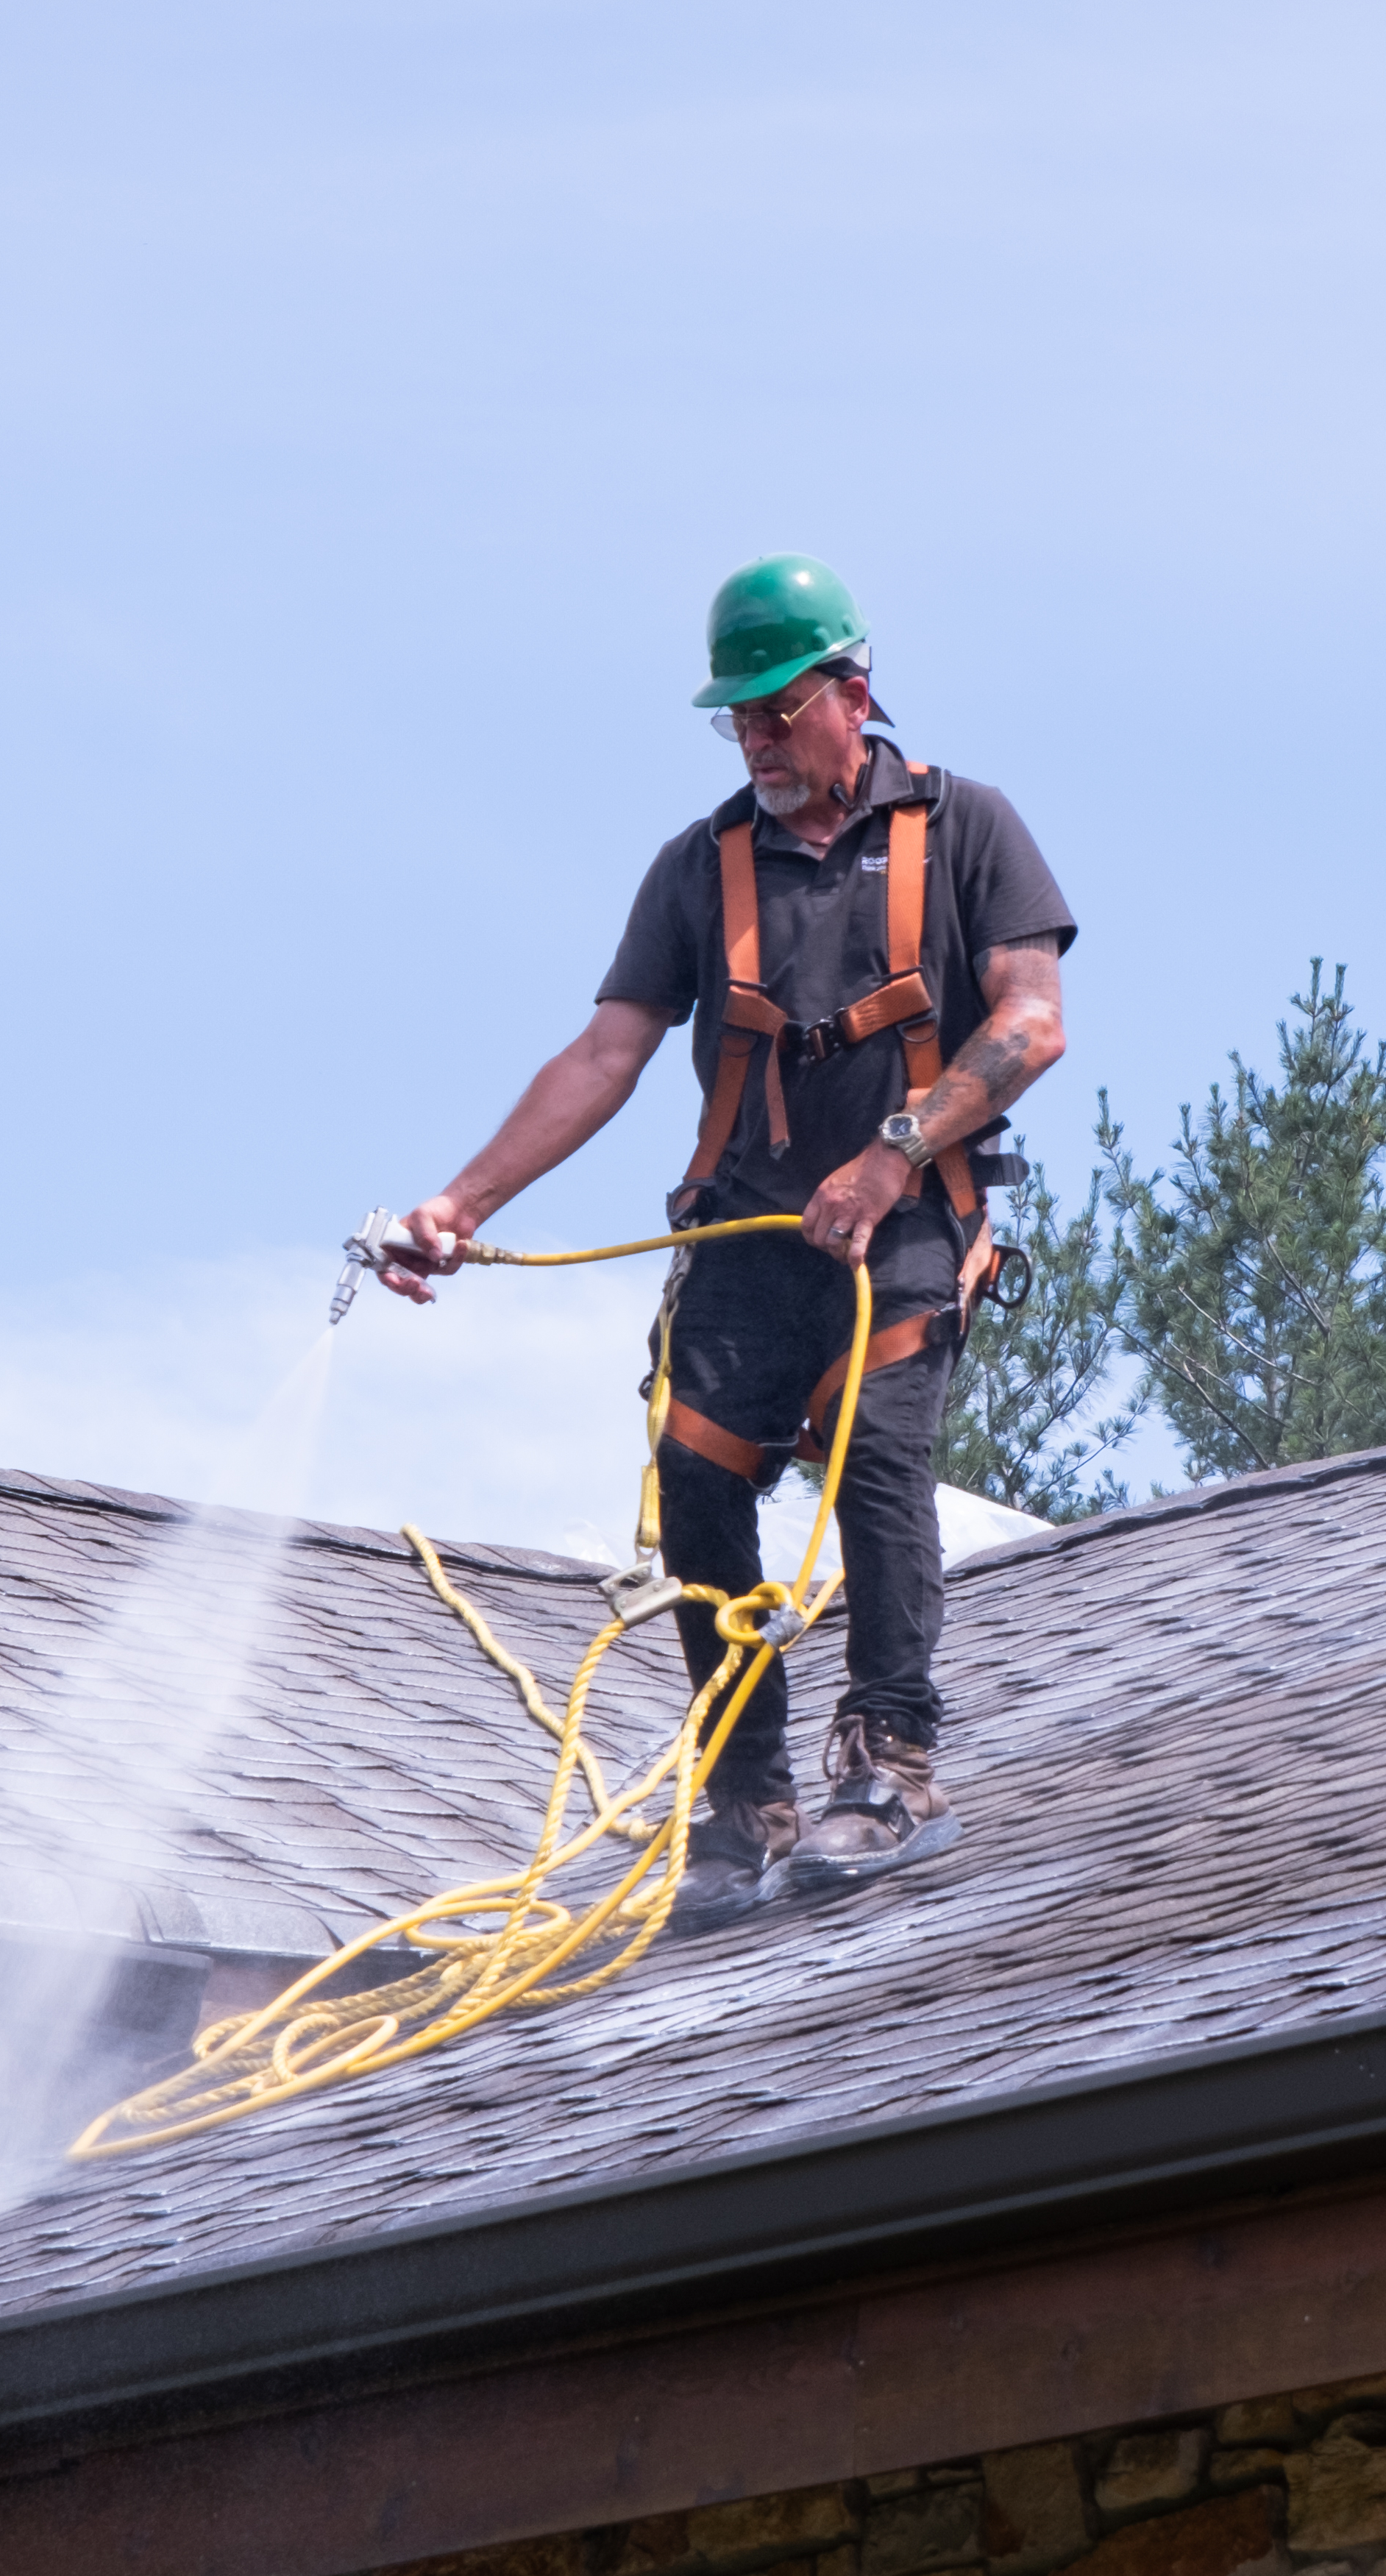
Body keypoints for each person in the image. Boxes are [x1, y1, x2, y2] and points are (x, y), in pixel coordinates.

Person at [376, 556, 1075, 1922]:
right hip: (748, 1236)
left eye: (775, 709)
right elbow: (606, 1054)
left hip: (906, 1229)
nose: (754, 738)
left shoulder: (969, 828)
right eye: (736, 718)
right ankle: (746, 1797)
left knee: (877, 1462)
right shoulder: (701, 868)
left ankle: (890, 1766)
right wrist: (462, 1206)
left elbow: (1031, 1023)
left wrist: (892, 1156)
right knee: (695, 1482)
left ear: (853, 695)